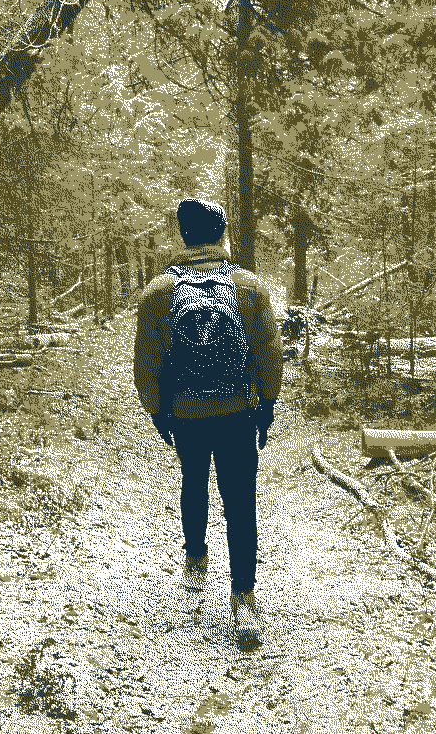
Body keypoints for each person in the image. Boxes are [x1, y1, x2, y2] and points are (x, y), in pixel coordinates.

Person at [133, 197, 283, 644]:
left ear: (184, 237)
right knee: (240, 501)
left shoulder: (159, 292)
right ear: (221, 235)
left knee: (193, 479)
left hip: (186, 411)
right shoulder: (249, 285)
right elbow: (269, 351)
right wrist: (268, 403)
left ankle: (196, 560)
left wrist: (157, 409)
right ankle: (243, 602)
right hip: (237, 410)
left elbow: (147, 360)